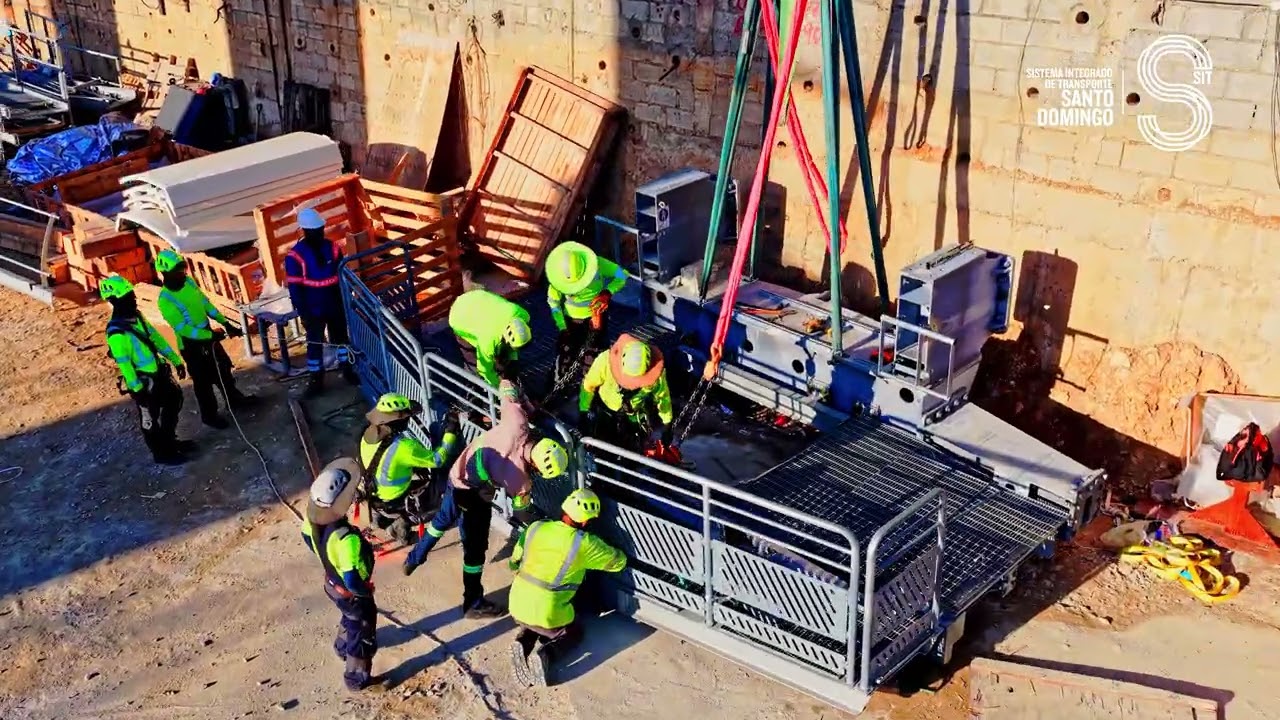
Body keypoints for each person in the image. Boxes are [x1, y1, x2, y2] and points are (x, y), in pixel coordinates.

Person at [402, 379, 570, 620]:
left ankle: (414, 558)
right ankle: (473, 603)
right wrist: (544, 524)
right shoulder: (520, 481)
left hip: (457, 474)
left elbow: (507, 385)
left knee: (441, 522)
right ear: (537, 467)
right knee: (474, 551)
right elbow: (521, 512)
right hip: (475, 498)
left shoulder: (517, 422)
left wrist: (528, 407)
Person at [508, 488, 626, 688]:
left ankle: (523, 642)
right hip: (549, 613)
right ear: (586, 522)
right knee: (573, 632)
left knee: (535, 617)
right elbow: (618, 562)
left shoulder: (536, 527)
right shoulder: (585, 543)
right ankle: (547, 655)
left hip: (516, 603)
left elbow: (514, 562)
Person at [301, 457, 385, 693]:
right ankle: (356, 677)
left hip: (331, 584)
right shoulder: (347, 540)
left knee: (349, 616)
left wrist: (327, 559)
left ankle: (341, 645)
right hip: (350, 592)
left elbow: (306, 538)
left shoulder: (312, 520)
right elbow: (351, 579)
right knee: (362, 627)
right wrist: (364, 591)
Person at [153, 249, 256, 429]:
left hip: (207, 334)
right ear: (166, 273)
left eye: (182, 269)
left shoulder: (189, 282)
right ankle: (209, 416)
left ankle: (234, 399)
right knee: (203, 383)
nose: (182, 273)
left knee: (223, 369)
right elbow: (183, 329)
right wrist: (209, 336)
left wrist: (225, 323)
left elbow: (205, 304)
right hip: (191, 345)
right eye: (178, 271)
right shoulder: (166, 300)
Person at [100, 274, 192, 466]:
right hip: (144, 383)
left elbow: (156, 339)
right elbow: (125, 365)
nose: (133, 299)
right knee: (150, 420)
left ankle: (169, 441)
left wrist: (175, 360)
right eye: (128, 297)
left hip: (159, 374)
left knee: (174, 401)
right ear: (115, 301)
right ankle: (162, 454)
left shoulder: (138, 317)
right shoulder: (117, 334)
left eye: (132, 295)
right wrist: (138, 390)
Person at [358, 392, 461, 541]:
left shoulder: (367, 434)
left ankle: (382, 519)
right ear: (397, 421)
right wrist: (450, 433)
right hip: (395, 500)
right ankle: (404, 524)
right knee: (440, 481)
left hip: (374, 493)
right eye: (406, 417)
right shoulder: (404, 447)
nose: (408, 418)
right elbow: (438, 460)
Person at [284, 207, 360, 396]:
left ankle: (347, 369)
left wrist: (345, 297)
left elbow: (342, 273)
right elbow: (295, 287)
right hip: (313, 307)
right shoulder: (295, 256)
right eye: (315, 230)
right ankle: (316, 379)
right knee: (315, 344)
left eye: (320, 229)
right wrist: (303, 311)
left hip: (334, 302)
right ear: (304, 231)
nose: (319, 233)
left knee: (341, 339)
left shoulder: (332, 247)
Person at [544, 241, 628, 378]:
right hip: (571, 323)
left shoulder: (598, 264)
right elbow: (554, 304)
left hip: (597, 317)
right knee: (566, 354)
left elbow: (622, 274)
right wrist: (562, 327)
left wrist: (607, 292)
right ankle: (559, 382)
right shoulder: (558, 280)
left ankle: (591, 383)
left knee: (595, 357)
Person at [578, 334, 674, 450]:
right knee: (599, 446)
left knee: (631, 450)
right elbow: (588, 386)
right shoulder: (605, 360)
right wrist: (583, 413)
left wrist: (667, 425)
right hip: (605, 409)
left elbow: (663, 398)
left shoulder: (657, 375)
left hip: (633, 415)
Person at [448, 288, 532, 388]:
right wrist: (497, 388)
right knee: (473, 361)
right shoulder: (488, 341)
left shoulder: (523, 315)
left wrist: (513, 359)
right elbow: (484, 369)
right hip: (459, 315)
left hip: (477, 298)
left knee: (503, 356)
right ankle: (474, 382)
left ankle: (503, 370)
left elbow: (512, 345)